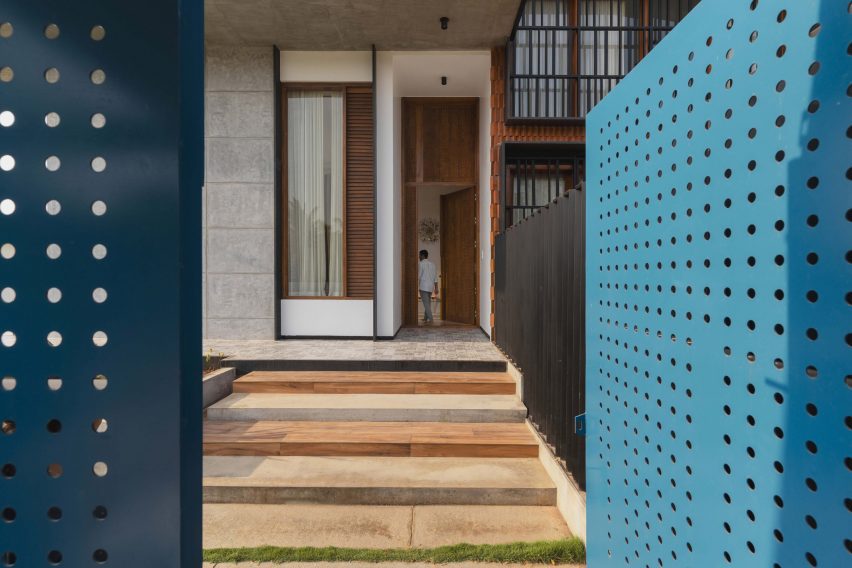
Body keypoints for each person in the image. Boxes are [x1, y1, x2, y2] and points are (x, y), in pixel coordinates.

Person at [418, 249, 438, 323]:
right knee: (428, 303)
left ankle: (431, 320)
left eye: (419, 255)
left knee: (426, 304)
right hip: (430, 287)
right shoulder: (432, 264)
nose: (418, 257)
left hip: (423, 286)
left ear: (422, 256)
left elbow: (419, 276)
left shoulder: (421, 264)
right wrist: (436, 288)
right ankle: (425, 318)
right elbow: (435, 278)